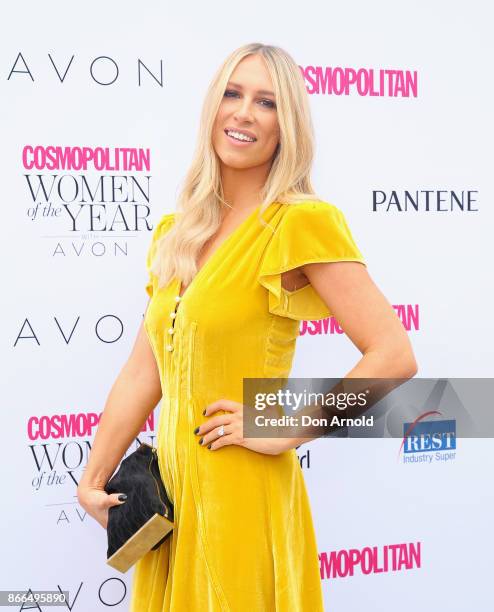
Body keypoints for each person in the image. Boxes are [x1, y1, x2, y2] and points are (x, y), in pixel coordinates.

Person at [77, 42, 417, 611]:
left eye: (266, 102)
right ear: (212, 107)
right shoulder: (175, 233)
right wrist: (93, 478)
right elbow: (143, 371)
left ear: (287, 126)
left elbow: (393, 353)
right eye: (232, 94)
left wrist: (281, 425)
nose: (243, 113)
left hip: (243, 491)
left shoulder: (301, 222)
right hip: (171, 501)